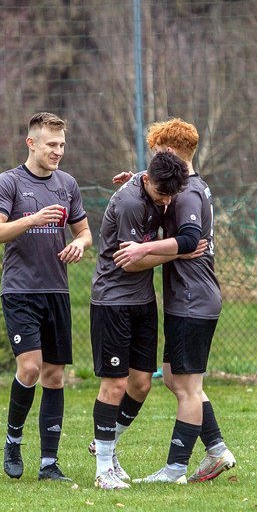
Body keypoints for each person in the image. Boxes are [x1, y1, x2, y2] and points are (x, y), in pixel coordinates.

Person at [112, 118, 237, 484]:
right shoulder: (186, 186)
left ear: (169, 151)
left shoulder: (189, 193)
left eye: (156, 153)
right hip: (189, 299)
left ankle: (175, 469)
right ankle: (216, 449)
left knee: (188, 387)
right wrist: (140, 181)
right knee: (174, 378)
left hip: (193, 299)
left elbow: (190, 238)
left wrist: (143, 249)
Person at [0, 112, 92, 481]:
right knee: (30, 368)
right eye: (51, 145)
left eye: (62, 145)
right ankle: (13, 441)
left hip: (56, 289)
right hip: (20, 290)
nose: (58, 151)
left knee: (55, 376)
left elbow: (84, 232)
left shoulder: (67, 184)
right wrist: (32, 219)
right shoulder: (10, 182)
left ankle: (49, 464)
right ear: (31, 143)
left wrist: (79, 244)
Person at [89, 151, 193, 490]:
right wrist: (177, 251)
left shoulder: (154, 185)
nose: (166, 202)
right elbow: (130, 263)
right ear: (147, 181)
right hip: (113, 301)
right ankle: (103, 470)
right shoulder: (130, 203)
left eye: (171, 196)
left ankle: (106, 446)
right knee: (115, 385)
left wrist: (157, 249)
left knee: (141, 384)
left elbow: (145, 250)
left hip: (143, 302)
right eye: (161, 195)